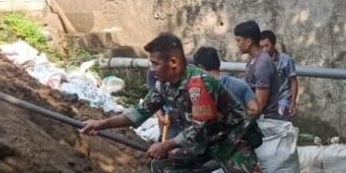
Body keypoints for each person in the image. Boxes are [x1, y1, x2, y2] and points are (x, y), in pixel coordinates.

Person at [81, 33, 262, 173]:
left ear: (173, 62)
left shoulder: (198, 83)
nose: (152, 69)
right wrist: (101, 124)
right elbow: (140, 112)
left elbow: (200, 127)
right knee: (163, 165)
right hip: (204, 142)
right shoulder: (164, 85)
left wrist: (166, 144)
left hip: (233, 141)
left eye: (155, 63)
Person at [192, 46, 260, 116]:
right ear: (219, 63)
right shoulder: (240, 84)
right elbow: (255, 110)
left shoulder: (197, 90)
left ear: (200, 67)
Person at [233, 20, 281, 120]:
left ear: (248, 42)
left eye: (238, 40)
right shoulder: (252, 60)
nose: (237, 44)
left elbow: (259, 105)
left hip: (265, 120)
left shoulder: (262, 64)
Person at [260, 30, 298, 120]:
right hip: (267, 100)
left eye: (266, 46)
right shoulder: (260, 61)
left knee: (280, 122)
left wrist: (293, 102)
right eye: (261, 47)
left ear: (273, 44)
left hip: (283, 98)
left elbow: (293, 81)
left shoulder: (286, 60)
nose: (264, 50)